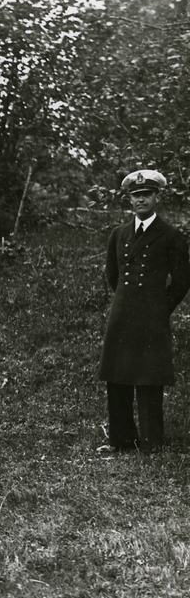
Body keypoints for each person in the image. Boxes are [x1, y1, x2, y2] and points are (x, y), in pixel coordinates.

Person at [98, 170, 190, 452]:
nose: (141, 200)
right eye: (136, 196)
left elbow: (182, 280)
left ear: (156, 198)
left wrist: (161, 307)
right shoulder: (118, 234)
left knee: (149, 377)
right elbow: (112, 276)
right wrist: (128, 300)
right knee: (117, 377)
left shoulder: (171, 235)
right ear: (130, 200)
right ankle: (122, 440)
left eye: (146, 195)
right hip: (122, 315)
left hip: (152, 317)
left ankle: (152, 443)